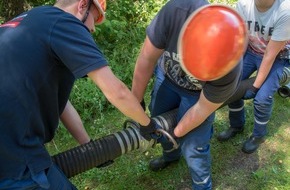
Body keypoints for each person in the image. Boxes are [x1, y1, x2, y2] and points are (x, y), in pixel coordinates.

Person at [0, 0, 159, 189]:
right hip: (12, 149)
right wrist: (148, 125)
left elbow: (60, 103)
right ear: (82, 5)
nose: (92, 29)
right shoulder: (63, 22)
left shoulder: (31, 20)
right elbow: (117, 92)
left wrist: (89, 147)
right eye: (95, 18)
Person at [131, 0, 243, 189]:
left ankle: (202, 185)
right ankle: (170, 156)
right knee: (157, 115)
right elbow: (146, 59)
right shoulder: (175, 12)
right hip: (167, 77)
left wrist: (174, 133)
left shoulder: (230, 71)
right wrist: (137, 104)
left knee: (195, 146)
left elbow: (200, 110)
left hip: (199, 95)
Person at [217, 0, 290, 154]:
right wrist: (234, 69)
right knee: (232, 86)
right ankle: (236, 125)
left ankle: (258, 135)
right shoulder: (243, 4)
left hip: (279, 57)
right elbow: (242, 38)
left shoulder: (285, 10)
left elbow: (270, 55)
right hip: (252, 50)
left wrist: (255, 86)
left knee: (262, 98)